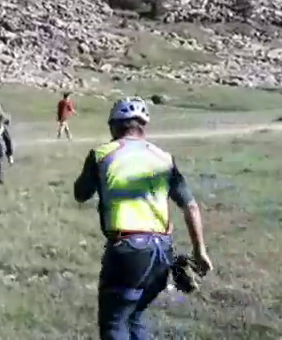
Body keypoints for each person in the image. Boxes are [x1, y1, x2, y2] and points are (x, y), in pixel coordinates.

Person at [73, 97, 213, 340]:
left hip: (128, 249)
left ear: (114, 126)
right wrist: (199, 251)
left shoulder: (101, 154)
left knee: (114, 322)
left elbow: (80, 194)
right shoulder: (164, 158)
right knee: (135, 315)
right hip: (162, 251)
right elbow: (190, 205)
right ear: (142, 127)